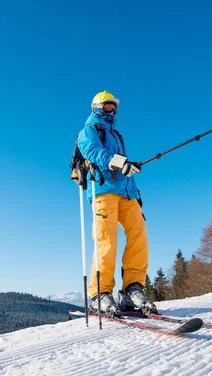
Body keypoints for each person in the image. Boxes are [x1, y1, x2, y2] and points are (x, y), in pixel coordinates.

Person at [76, 90, 158, 317]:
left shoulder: (117, 135)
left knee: (139, 235)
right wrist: (119, 162)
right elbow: (92, 151)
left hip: (127, 194)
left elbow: (122, 169)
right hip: (103, 192)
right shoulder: (90, 130)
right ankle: (99, 294)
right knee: (106, 241)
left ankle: (132, 289)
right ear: (97, 107)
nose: (112, 111)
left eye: (114, 107)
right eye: (108, 106)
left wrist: (134, 187)